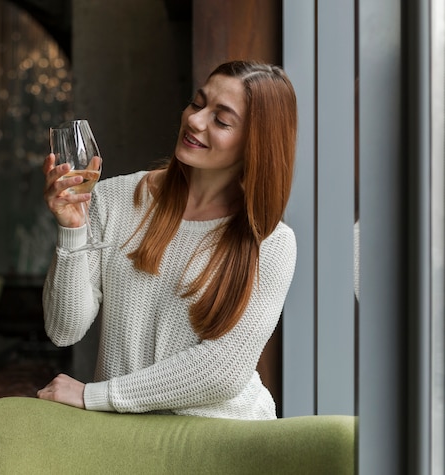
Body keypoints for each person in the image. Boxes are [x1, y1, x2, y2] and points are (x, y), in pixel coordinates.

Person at [37, 60, 298, 420]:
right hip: (125, 439)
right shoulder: (113, 199)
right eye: (197, 103)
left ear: (256, 143)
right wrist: (71, 229)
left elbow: (223, 372)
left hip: (224, 440)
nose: (194, 120)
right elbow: (64, 329)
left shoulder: (271, 242)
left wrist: (95, 395)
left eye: (221, 120)